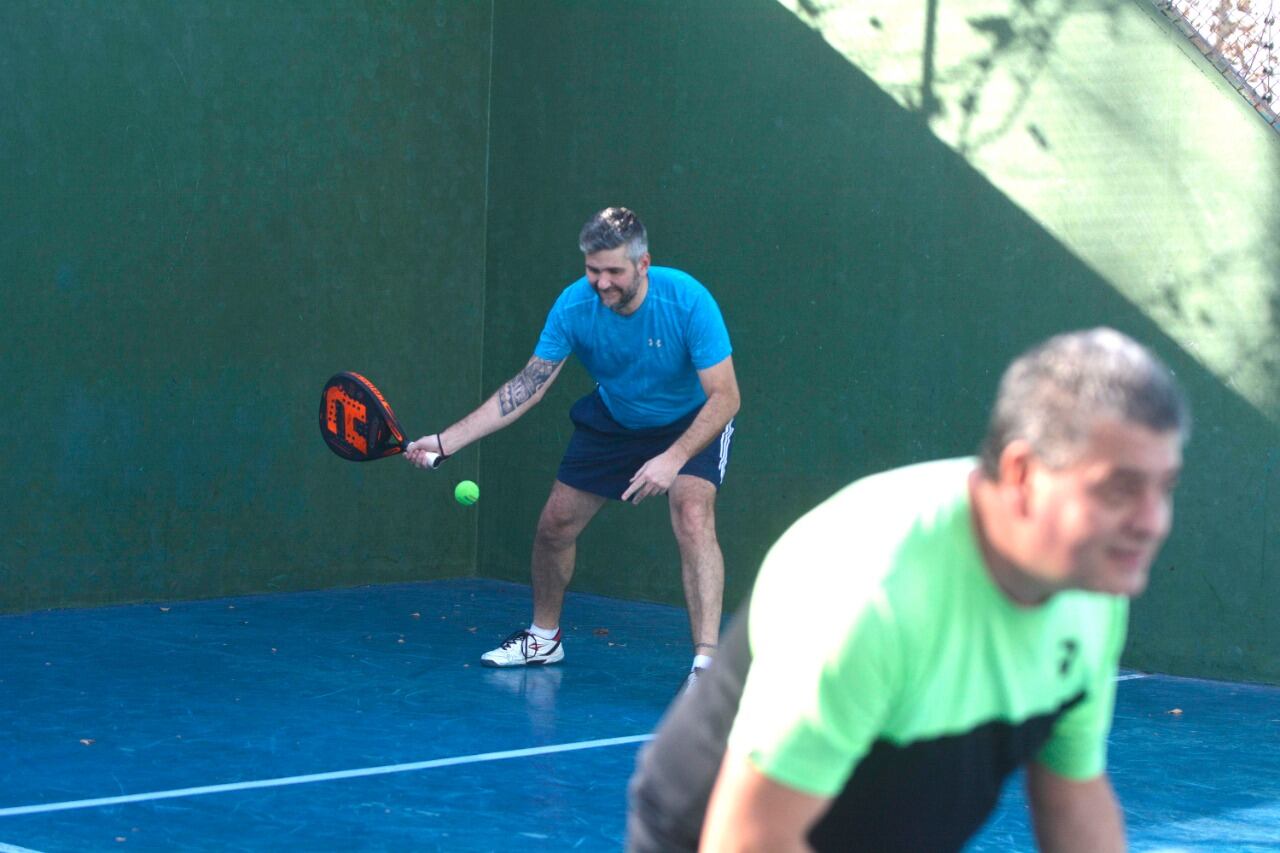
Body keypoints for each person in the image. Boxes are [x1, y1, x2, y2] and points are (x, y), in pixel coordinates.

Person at [627, 328, 1190, 852]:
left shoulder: (1091, 587)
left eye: (1164, 487)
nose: (1152, 521)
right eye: (1119, 489)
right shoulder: (869, 591)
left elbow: (1074, 800)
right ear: (1021, 474)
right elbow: (748, 842)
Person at [405, 207, 740, 686]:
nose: (602, 283)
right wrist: (445, 442)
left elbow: (726, 396)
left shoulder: (687, 300)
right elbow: (528, 385)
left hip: (691, 420)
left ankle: (706, 666)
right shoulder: (574, 306)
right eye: (592, 269)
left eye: (614, 271)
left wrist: (673, 457)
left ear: (643, 265)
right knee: (554, 525)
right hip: (615, 416)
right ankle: (543, 638)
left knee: (691, 514)